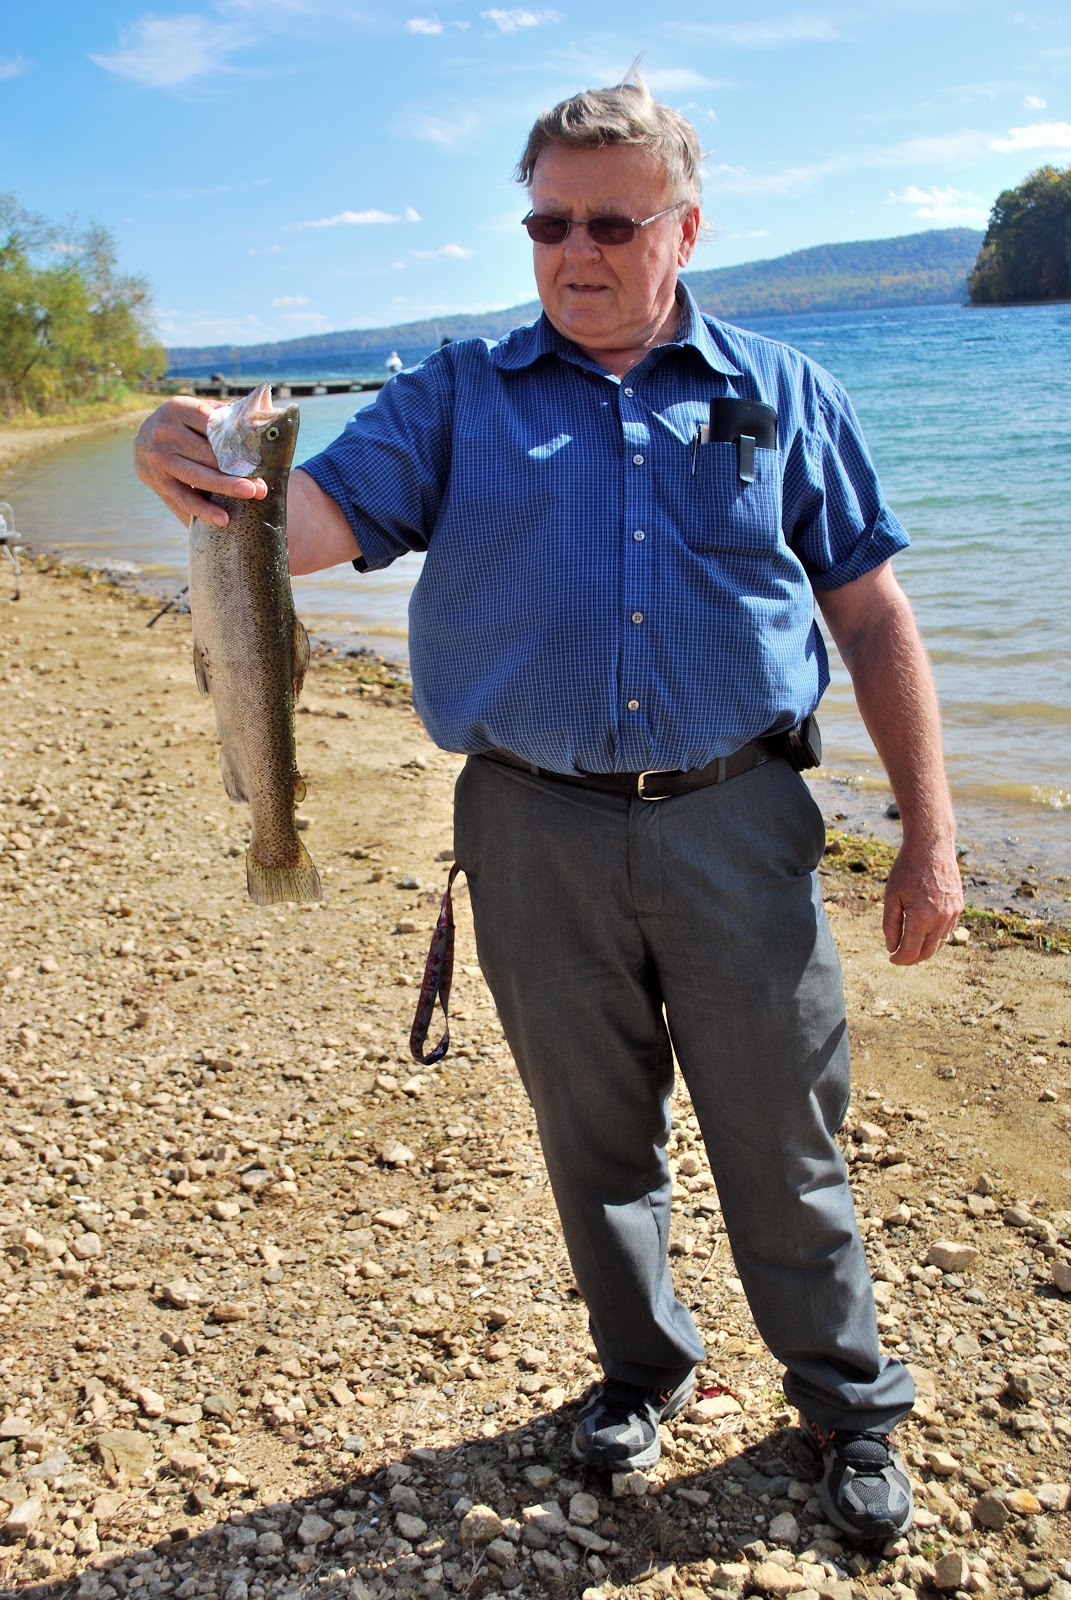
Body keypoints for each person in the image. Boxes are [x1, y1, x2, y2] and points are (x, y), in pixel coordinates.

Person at [135, 71, 963, 1544]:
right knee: (593, 1142)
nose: (576, 250)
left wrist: (932, 835)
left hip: (740, 823)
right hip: (528, 828)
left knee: (786, 1137)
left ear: (685, 228)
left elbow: (874, 613)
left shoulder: (785, 394)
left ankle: (845, 1401)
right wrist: (194, 455)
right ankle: (641, 1371)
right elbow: (299, 527)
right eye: (548, 222)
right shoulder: (456, 394)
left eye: (612, 222)